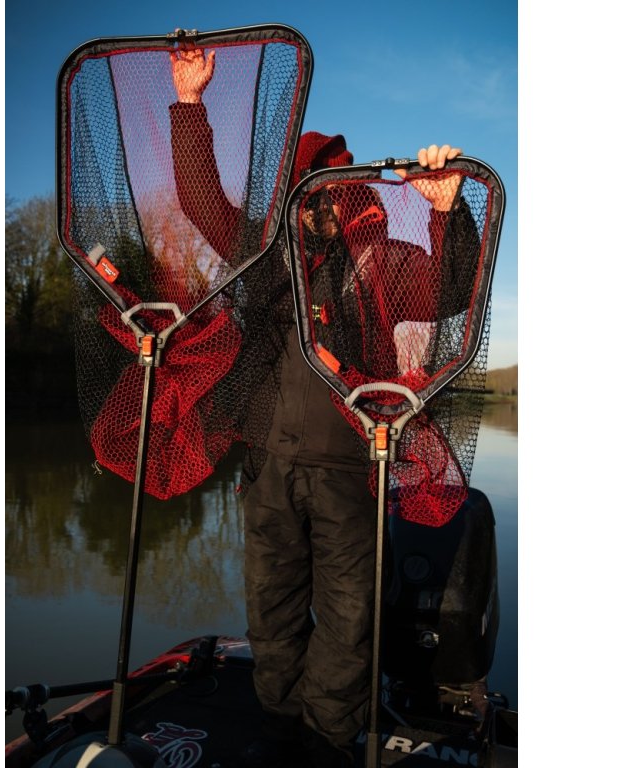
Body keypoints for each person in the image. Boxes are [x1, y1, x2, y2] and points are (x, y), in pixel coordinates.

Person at [168, 46, 479, 768]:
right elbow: (202, 200)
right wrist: (188, 105)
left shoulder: (385, 260)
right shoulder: (261, 254)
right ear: (292, 196)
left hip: (350, 471)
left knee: (349, 620)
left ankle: (329, 746)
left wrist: (446, 213)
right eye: (309, 190)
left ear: (354, 197)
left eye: (335, 191)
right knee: (271, 616)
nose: (323, 204)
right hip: (267, 470)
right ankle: (282, 736)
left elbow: (452, 289)